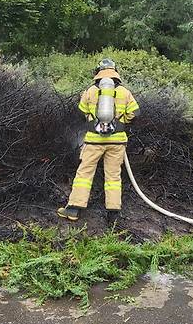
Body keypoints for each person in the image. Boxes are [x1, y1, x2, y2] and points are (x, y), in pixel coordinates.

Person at [57, 58, 139, 225]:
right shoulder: (125, 92)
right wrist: (120, 122)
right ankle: (113, 215)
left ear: (98, 72)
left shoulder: (90, 91)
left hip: (94, 140)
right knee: (113, 177)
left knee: (84, 174)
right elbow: (135, 113)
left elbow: (81, 111)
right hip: (117, 142)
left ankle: (73, 209)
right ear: (115, 71)